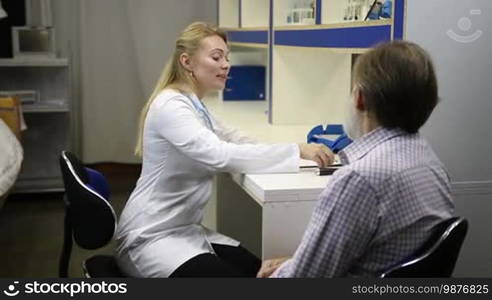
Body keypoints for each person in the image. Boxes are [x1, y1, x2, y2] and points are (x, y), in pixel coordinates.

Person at [115, 22, 334, 278]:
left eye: (227, 58)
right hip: (150, 237)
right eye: (216, 57)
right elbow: (219, 154)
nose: (226, 64)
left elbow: (236, 139)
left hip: (184, 230)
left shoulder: (194, 104)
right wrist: (294, 150)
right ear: (187, 62)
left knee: (258, 270)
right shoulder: (171, 106)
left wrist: (299, 150)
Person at [257, 41, 455, 278]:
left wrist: (279, 273)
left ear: (360, 98)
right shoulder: (428, 160)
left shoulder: (360, 179)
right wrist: (296, 262)